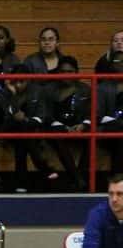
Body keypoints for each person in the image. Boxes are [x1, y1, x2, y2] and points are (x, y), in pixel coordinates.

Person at [2, 64, 57, 192]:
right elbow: (7, 117)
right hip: (11, 128)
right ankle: (43, 167)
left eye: (21, 81)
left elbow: (41, 117)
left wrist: (26, 120)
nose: (18, 85)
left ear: (29, 80)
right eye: (15, 81)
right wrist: (13, 95)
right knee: (23, 134)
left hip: (31, 130)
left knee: (22, 140)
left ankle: (21, 182)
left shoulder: (38, 91)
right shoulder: (8, 92)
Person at [41, 55, 88, 190]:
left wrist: (83, 125)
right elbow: (46, 115)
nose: (66, 74)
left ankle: (81, 175)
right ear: (58, 72)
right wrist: (63, 127)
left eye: (70, 71)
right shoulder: (48, 89)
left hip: (79, 127)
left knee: (92, 136)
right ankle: (77, 178)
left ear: (76, 72)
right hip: (57, 128)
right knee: (57, 136)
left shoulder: (85, 89)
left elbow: (92, 112)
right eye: (62, 71)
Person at [93, 49, 123, 174]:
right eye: (119, 61)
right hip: (108, 129)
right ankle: (117, 177)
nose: (122, 64)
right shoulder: (102, 88)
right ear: (112, 65)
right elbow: (97, 116)